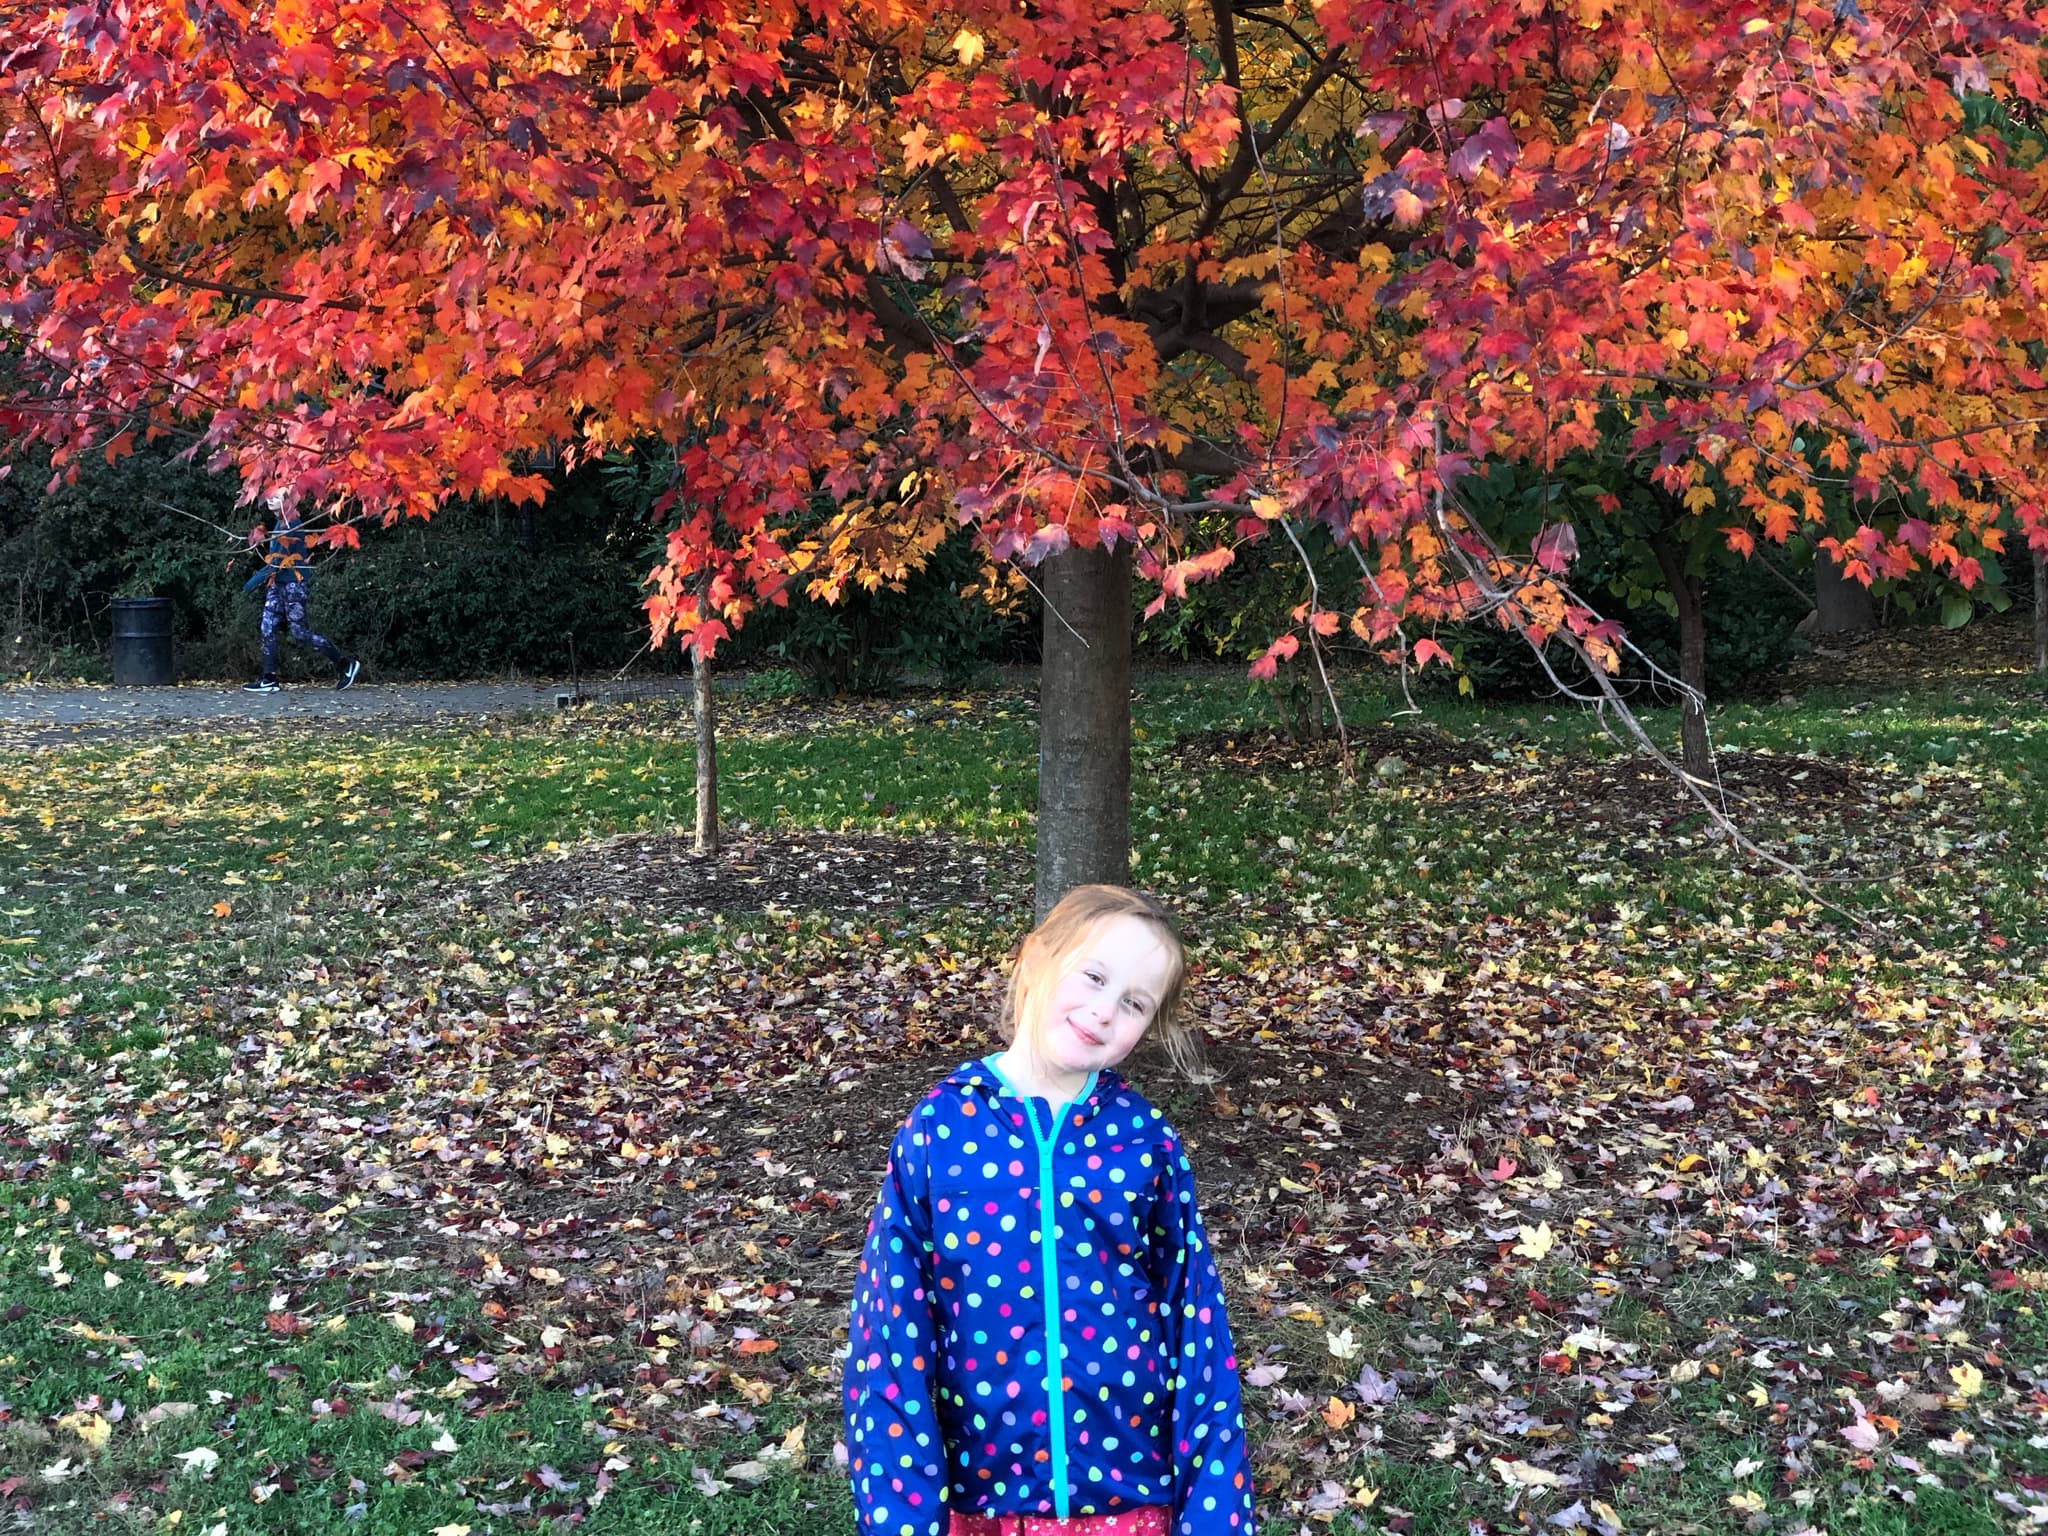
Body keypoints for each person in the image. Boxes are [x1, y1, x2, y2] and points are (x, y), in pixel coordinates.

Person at [844, 885, 1256, 1536]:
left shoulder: (1143, 1142)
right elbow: (888, 1347)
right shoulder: (940, 1129)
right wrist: (902, 1520)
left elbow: (1199, 1335)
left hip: (1129, 1506)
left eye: (1133, 1003)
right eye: (1093, 976)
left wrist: (1215, 1520)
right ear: (1037, 958)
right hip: (985, 1507)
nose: (1102, 1011)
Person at [241, 495, 359, 692]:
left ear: (289, 501)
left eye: (277, 497)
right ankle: (269, 678)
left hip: (293, 584)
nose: (271, 499)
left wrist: (250, 584)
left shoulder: (292, 526)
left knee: (299, 633)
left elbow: (276, 562)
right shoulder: (279, 523)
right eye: (271, 495)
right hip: (277, 584)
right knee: (267, 627)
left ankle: (345, 665)